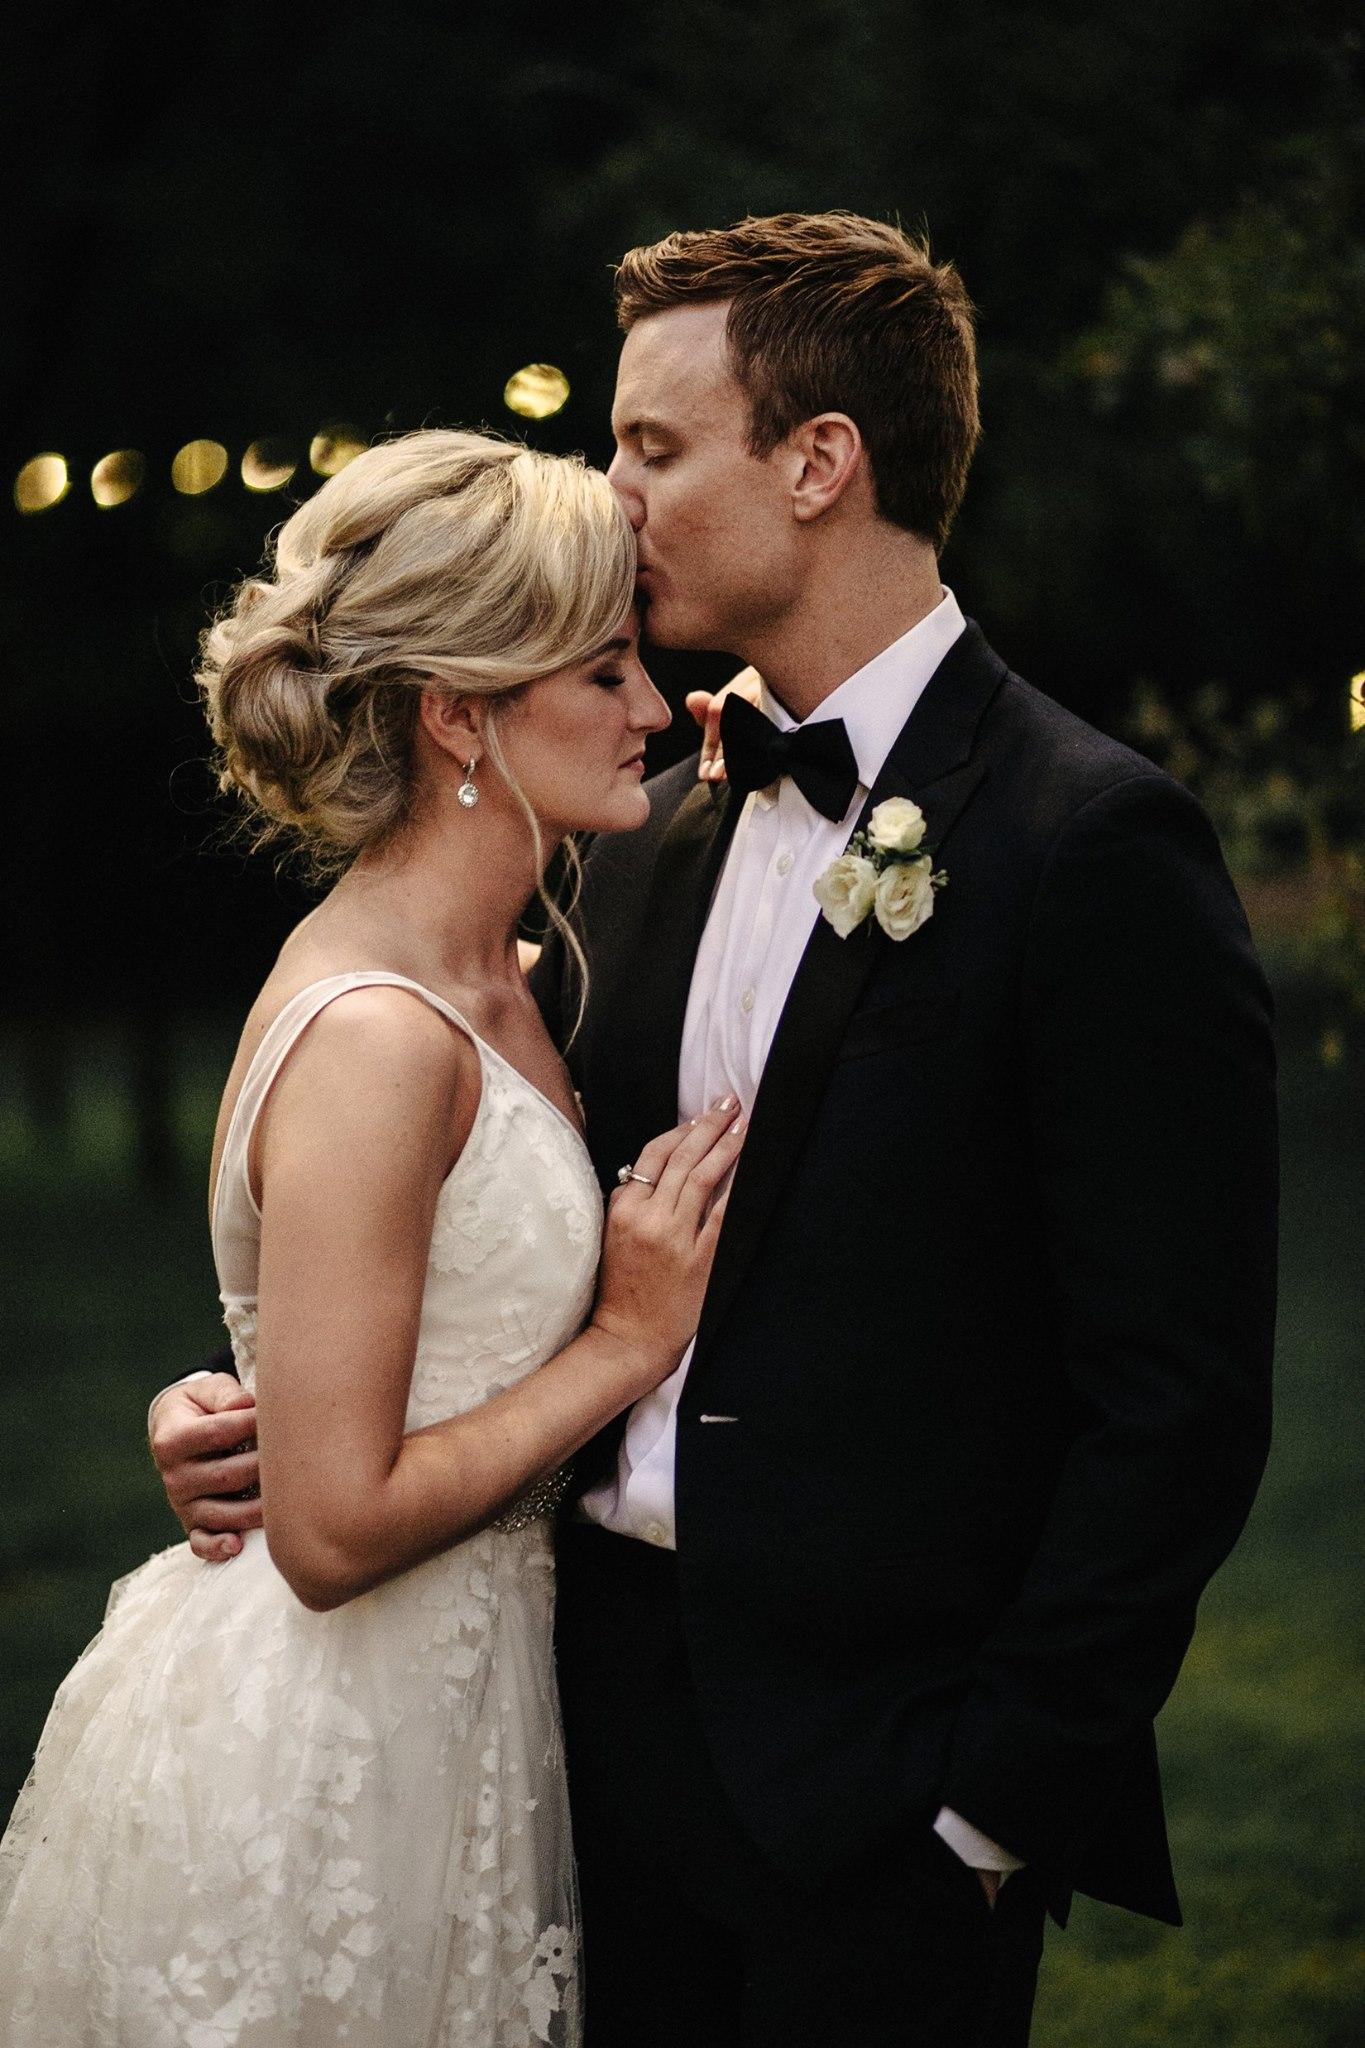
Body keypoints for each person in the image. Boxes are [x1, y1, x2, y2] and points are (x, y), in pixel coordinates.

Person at [149, 212, 1278, 2047]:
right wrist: (242, 1402)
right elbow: (453, 1192)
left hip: (889, 1787)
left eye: (651, 447)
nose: (612, 495)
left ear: (818, 462)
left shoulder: (1086, 845)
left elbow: (1179, 1394)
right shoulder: (628, 817)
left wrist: (991, 1803)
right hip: (560, 1747)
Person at [0, 429, 746, 2046]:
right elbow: (332, 1533)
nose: (650, 705)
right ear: (457, 714)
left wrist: (226, 1397)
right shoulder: (379, 1036)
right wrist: (626, 1342)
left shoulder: (514, 973)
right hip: (328, 1744)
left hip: (468, 1706)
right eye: (602, 670)